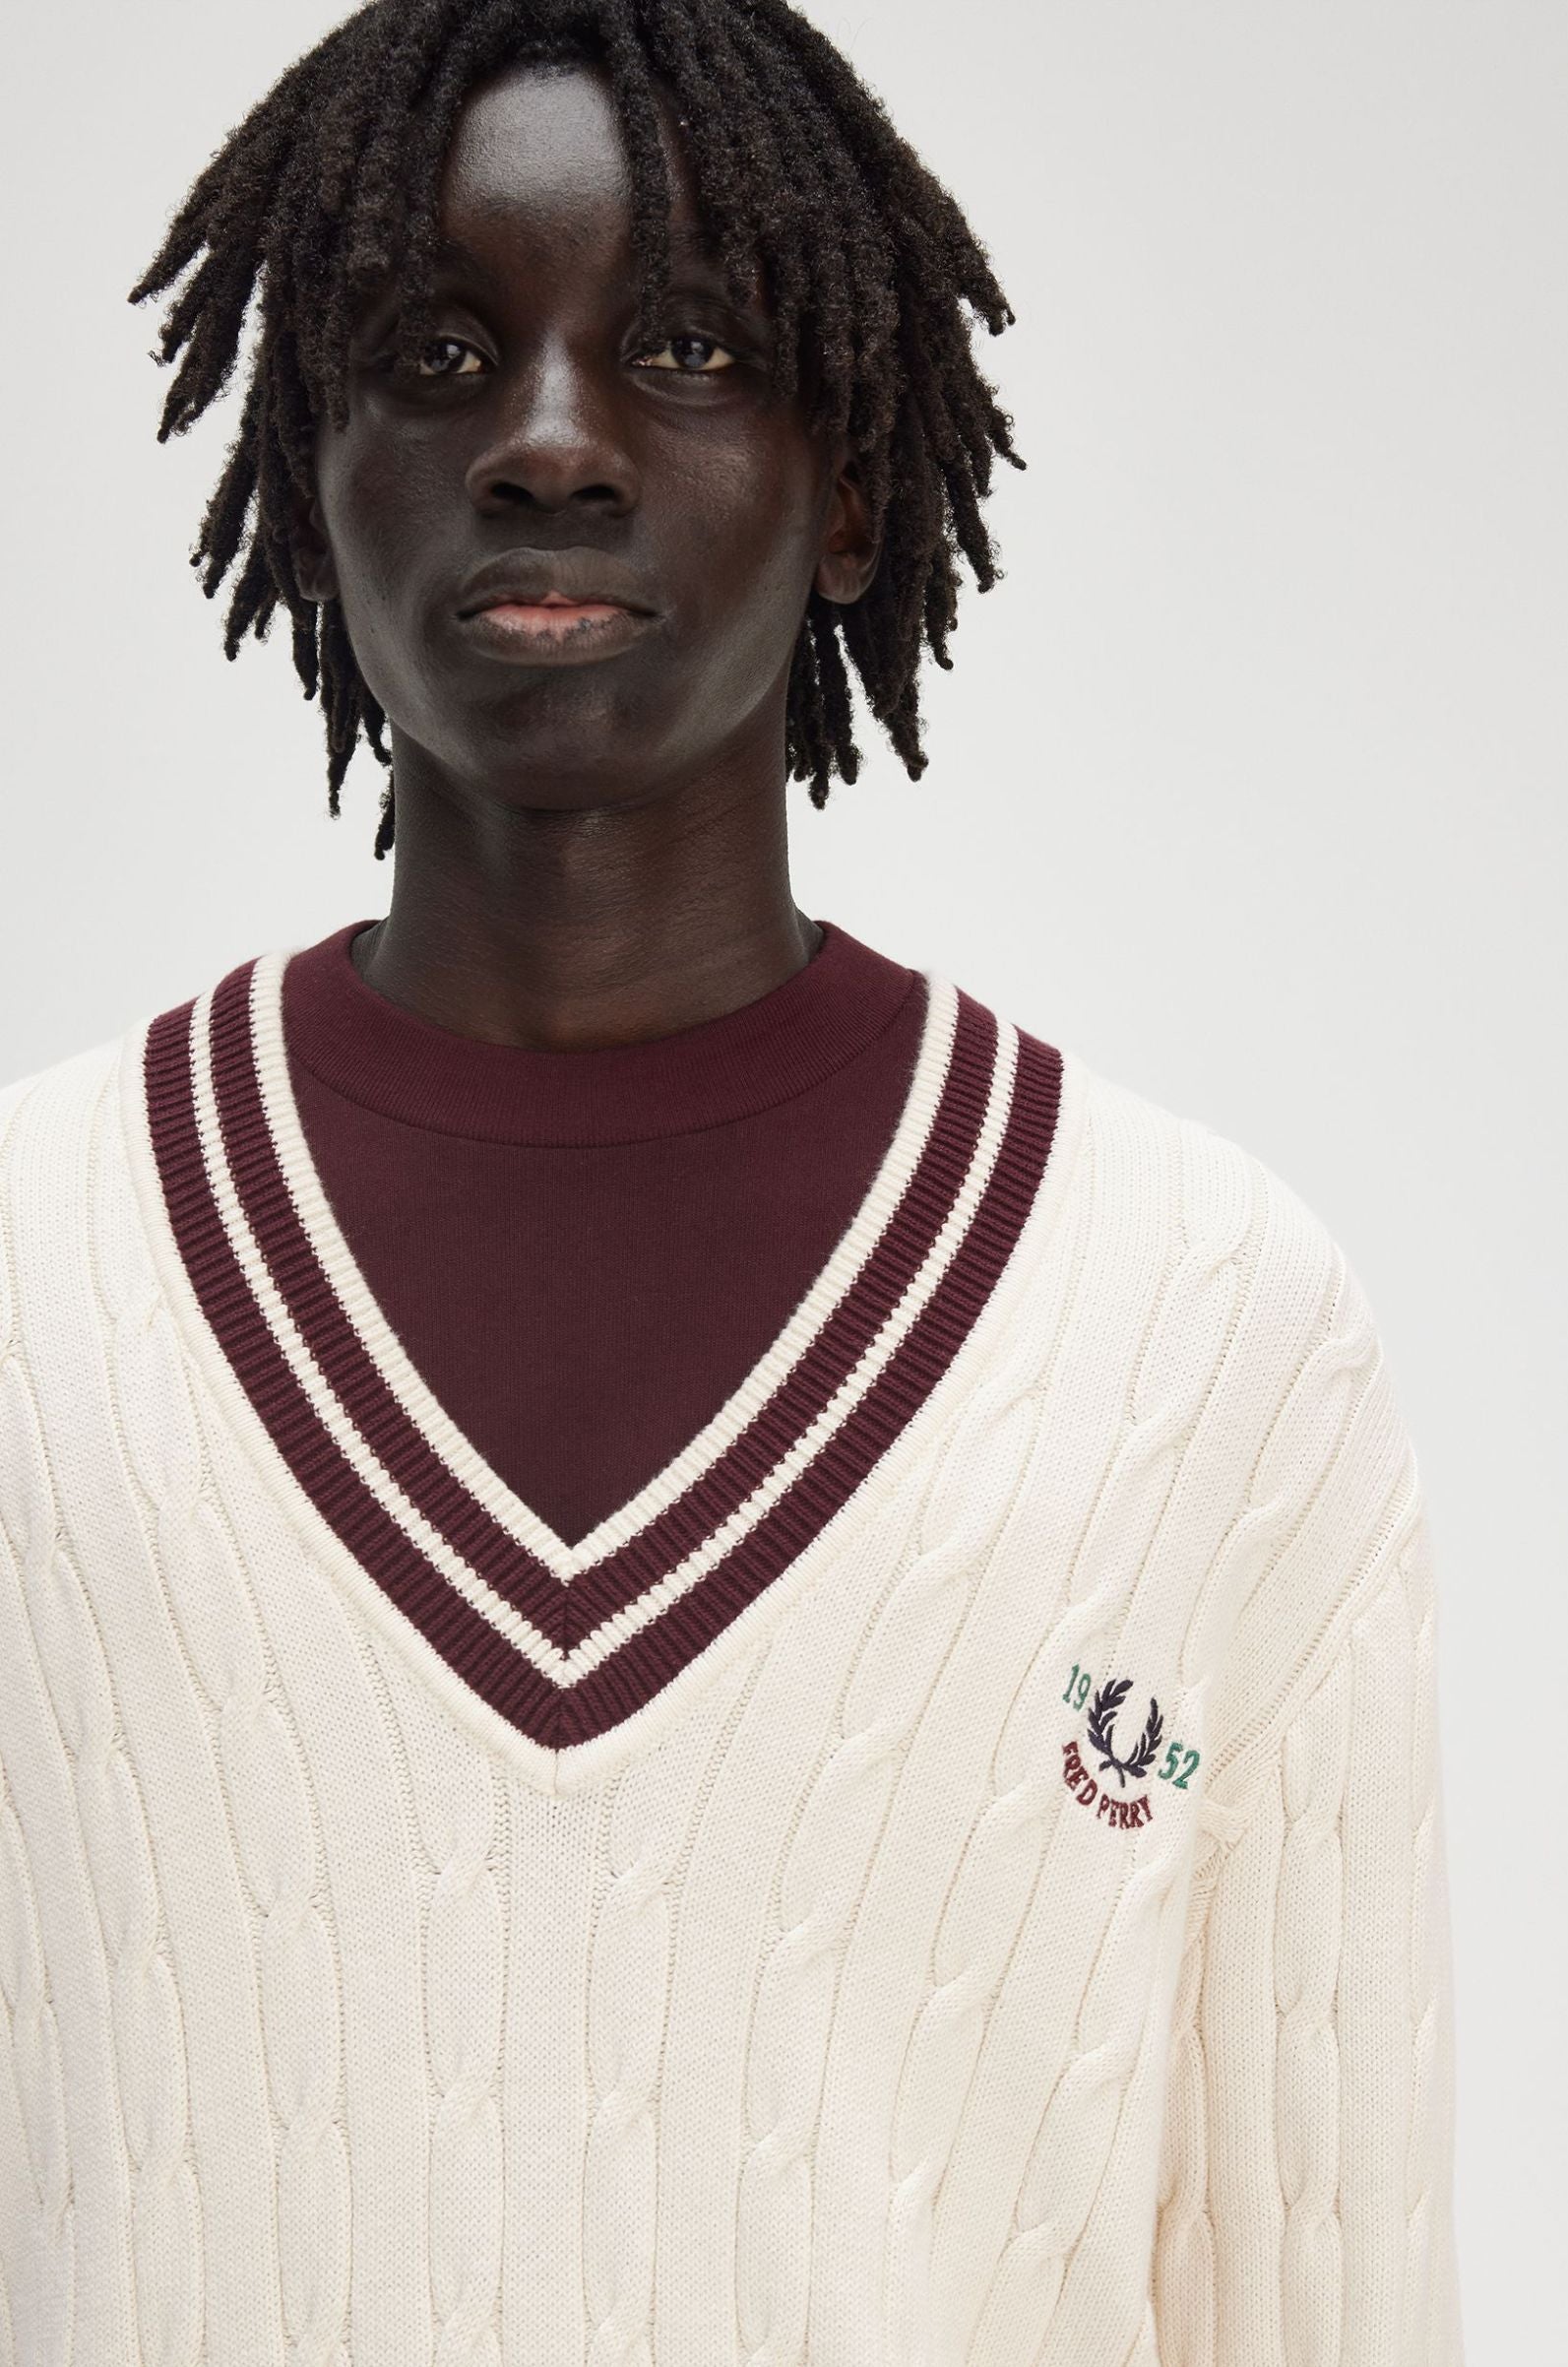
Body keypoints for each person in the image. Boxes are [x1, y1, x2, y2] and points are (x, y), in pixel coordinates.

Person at [0, 1, 1465, 2359]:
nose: (546, 440)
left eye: (681, 347)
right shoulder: (37, 1272)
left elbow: (1324, 2293)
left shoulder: (1203, 1330)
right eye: (435, 352)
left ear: (848, 481)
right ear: (309, 470)